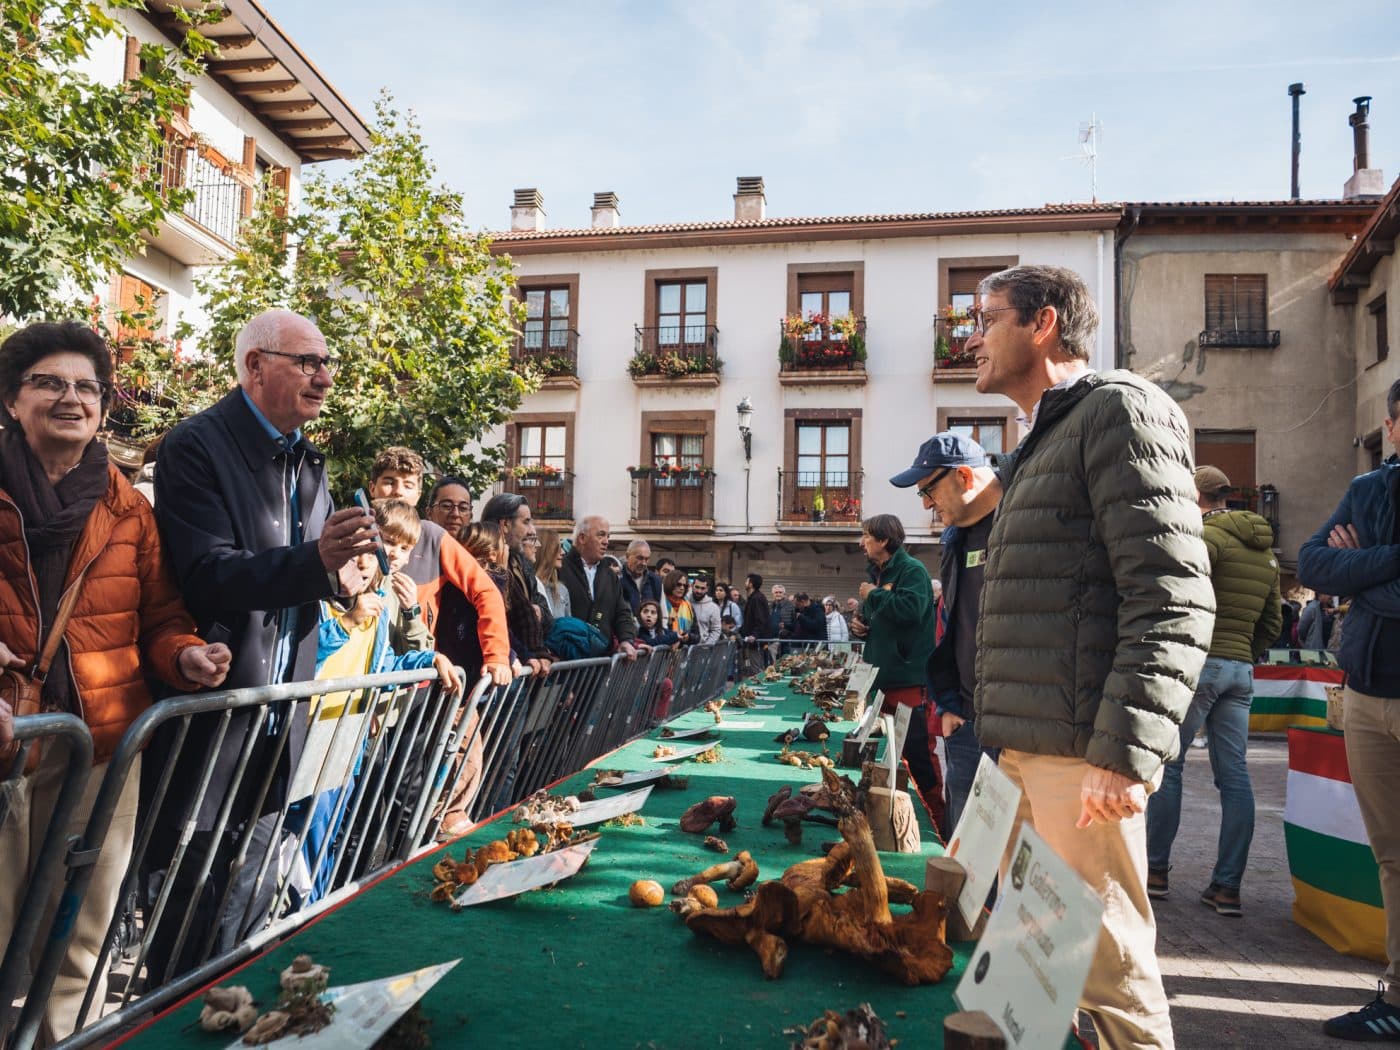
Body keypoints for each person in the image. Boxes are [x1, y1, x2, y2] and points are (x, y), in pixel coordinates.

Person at [968, 264, 1214, 1048]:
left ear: (1042, 325)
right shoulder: (1043, 435)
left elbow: (1173, 596)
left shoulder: (1121, 412)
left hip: (1084, 763)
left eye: (987, 318)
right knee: (1030, 978)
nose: (973, 338)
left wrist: (1124, 753)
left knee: (1107, 979)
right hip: (1030, 752)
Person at [0, 322, 231, 1041]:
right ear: (12, 400)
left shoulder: (125, 504)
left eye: (87, 387)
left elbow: (158, 613)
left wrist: (185, 654)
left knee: (79, 939)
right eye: (49, 382)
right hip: (8, 742)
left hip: (98, 749)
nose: (72, 398)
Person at [150, 308, 382, 979]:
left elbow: (318, 569)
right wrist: (317, 561)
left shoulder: (310, 459)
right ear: (256, 366)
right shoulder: (194, 446)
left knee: (256, 905)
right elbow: (209, 573)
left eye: (327, 362)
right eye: (307, 362)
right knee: (188, 901)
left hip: (285, 715)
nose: (325, 378)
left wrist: (346, 578)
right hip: (213, 713)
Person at [1298, 377, 1400, 1042]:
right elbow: (1312, 563)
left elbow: (1345, 574)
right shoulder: (1369, 491)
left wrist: (1361, 568)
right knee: (1392, 855)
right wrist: (1382, 569)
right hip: (1367, 696)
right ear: (1393, 426)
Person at [302, 500, 454, 903]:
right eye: (375, 547)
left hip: (352, 735)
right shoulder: (320, 596)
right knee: (306, 836)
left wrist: (430, 659)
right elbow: (305, 658)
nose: (375, 560)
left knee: (336, 831)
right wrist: (349, 621)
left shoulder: (383, 600)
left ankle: (321, 910)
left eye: (394, 550)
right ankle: (304, 915)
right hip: (312, 731)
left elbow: (385, 665)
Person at [1145, 466, 1281, 915]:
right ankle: (1226, 888)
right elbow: (1273, 622)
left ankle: (1156, 872)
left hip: (1199, 664)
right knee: (1236, 777)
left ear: (1197, 497)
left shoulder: (1207, 538)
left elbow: (1179, 595)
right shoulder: (1267, 554)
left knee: (1170, 765)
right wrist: (1243, 652)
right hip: (1240, 669)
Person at [891, 432, 1002, 836]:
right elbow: (956, 626)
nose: (925, 504)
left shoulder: (1019, 524)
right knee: (964, 844)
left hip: (1014, 727)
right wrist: (950, 704)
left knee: (1003, 849)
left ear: (964, 478)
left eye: (928, 490)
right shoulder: (954, 538)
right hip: (966, 719)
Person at [367, 448, 510, 685]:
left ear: (418, 493)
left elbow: (485, 591)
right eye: (389, 482)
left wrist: (497, 655)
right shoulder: (355, 529)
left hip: (413, 677)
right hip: (357, 674)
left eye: (408, 484)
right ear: (373, 488)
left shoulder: (433, 536)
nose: (398, 491)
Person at [856, 513, 944, 832]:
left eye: (866, 536)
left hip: (908, 683)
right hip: (884, 682)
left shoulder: (913, 570)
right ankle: (897, 821)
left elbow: (910, 611)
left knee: (919, 758)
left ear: (883, 540)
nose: (862, 542)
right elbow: (883, 619)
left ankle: (941, 823)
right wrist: (862, 627)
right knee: (894, 759)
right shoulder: (879, 574)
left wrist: (872, 595)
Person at [480, 492, 553, 675]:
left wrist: (539, 612)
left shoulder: (522, 564)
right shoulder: (484, 565)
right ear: (505, 525)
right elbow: (498, 620)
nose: (532, 531)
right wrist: (524, 654)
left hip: (526, 667)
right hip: (502, 670)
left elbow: (543, 611)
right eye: (526, 522)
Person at [559, 516, 638, 658]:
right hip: (567, 659)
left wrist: (626, 640)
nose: (606, 542)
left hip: (600, 660)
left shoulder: (610, 576)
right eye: (601, 535)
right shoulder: (560, 569)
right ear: (582, 538)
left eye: (608, 536)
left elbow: (622, 612)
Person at [534, 528, 571, 619]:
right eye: (557, 548)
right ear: (544, 551)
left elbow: (567, 626)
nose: (562, 552)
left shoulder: (562, 590)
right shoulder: (527, 588)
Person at [740, 573, 772, 677]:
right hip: (751, 642)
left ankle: (759, 691)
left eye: (746, 581)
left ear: (751, 584)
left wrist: (754, 635)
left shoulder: (757, 598)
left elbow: (760, 619)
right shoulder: (753, 598)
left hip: (755, 643)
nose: (745, 583)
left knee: (756, 671)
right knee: (750, 670)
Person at [621, 539, 663, 616]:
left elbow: (661, 612)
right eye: (640, 558)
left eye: (647, 559)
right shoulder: (617, 578)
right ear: (627, 556)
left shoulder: (655, 581)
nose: (643, 563)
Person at [662, 569, 697, 643]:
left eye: (684, 585)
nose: (682, 588)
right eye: (678, 584)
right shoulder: (661, 603)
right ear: (670, 584)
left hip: (683, 651)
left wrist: (689, 637)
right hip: (665, 650)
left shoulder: (688, 606)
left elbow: (697, 635)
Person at [691, 574, 722, 645]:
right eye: (697, 587)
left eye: (702, 588)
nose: (699, 591)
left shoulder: (713, 608)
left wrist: (706, 646)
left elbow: (716, 630)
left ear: (707, 589)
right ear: (692, 586)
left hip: (702, 649)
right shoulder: (685, 602)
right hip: (683, 648)